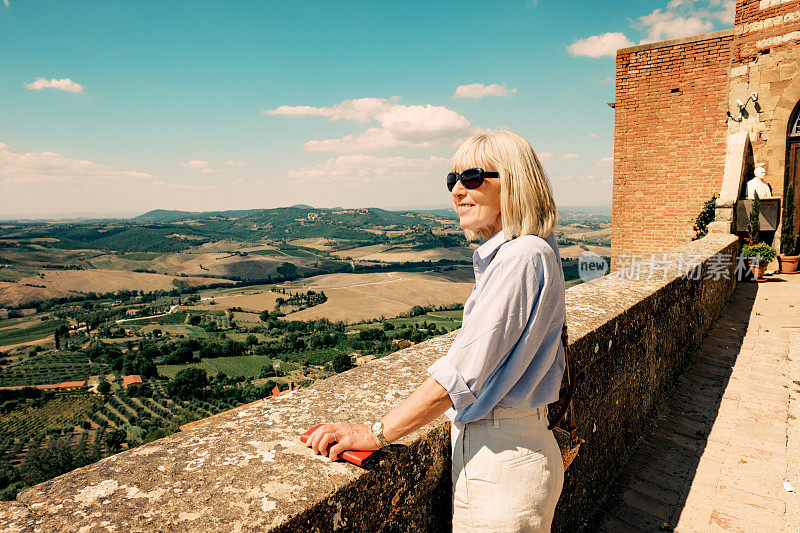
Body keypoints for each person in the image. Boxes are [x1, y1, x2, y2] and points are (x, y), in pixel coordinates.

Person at [305, 130, 567, 532]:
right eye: (452, 181)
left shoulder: (523, 255)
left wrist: (375, 433)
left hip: (502, 462)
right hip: (510, 450)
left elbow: (461, 375)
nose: (458, 191)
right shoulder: (530, 252)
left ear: (514, 182)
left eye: (474, 178)